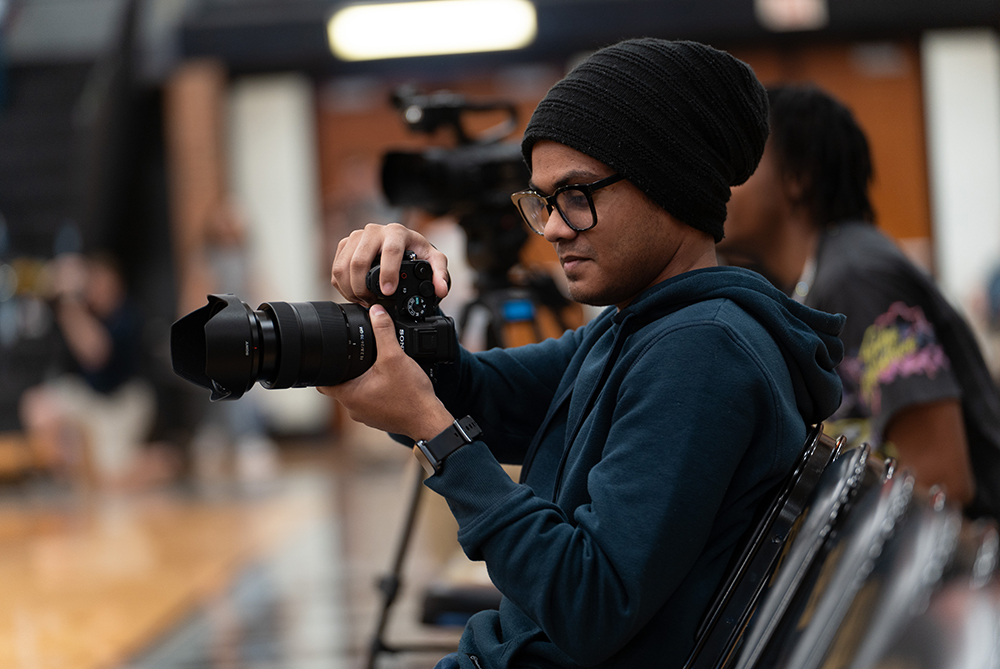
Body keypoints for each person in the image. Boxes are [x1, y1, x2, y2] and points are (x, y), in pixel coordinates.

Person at [322, 40, 845, 668]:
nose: (552, 228)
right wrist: (402, 307)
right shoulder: (637, 325)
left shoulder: (700, 352)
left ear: (670, 184)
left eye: (577, 194)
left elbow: (589, 603)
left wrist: (436, 436)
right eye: (542, 201)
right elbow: (484, 398)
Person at [718, 83, 1000, 519]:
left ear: (797, 178)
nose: (721, 183)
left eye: (739, 163)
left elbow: (943, 478)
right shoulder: (820, 277)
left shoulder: (856, 276)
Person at [19, 251, 160, 487]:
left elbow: (95, 351)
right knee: (39, 405)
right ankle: (63, 479)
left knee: (113, 479)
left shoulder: (128, 314)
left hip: (124, 402)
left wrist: (67, 301)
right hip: (90, 399)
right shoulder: (83, 313)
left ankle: (166, 459)